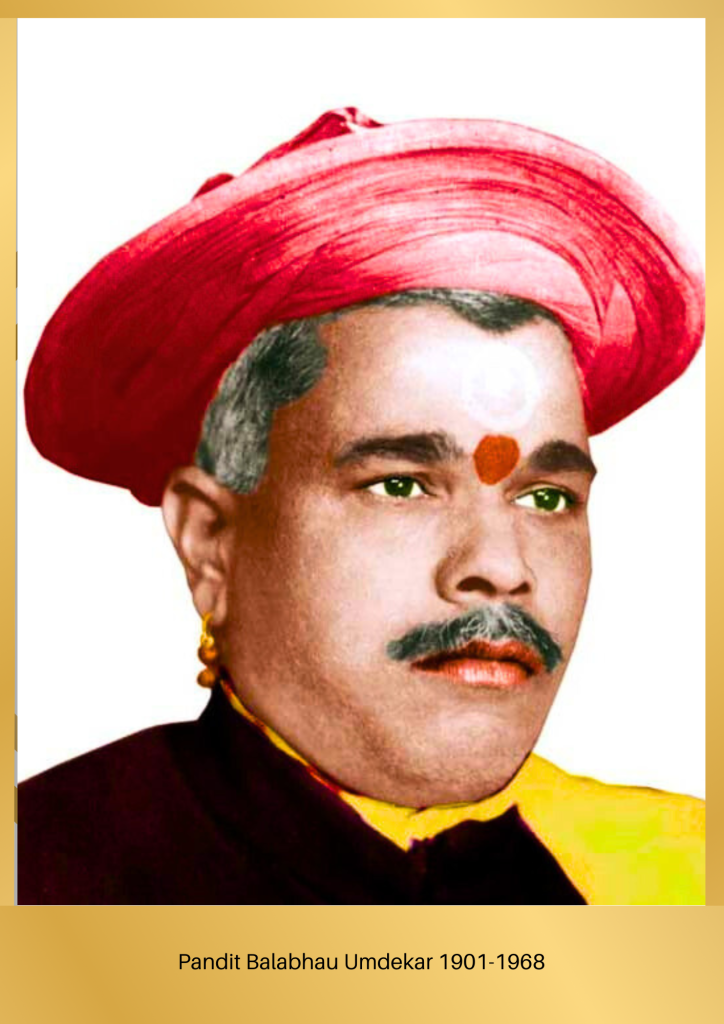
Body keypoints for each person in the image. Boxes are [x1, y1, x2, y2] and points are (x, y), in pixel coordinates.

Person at [19, 108, 704, 905]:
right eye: (401, 484)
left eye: (546, 496)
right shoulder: (38, 872)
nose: (500, 567)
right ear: (210, 540)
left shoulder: (682, 876)